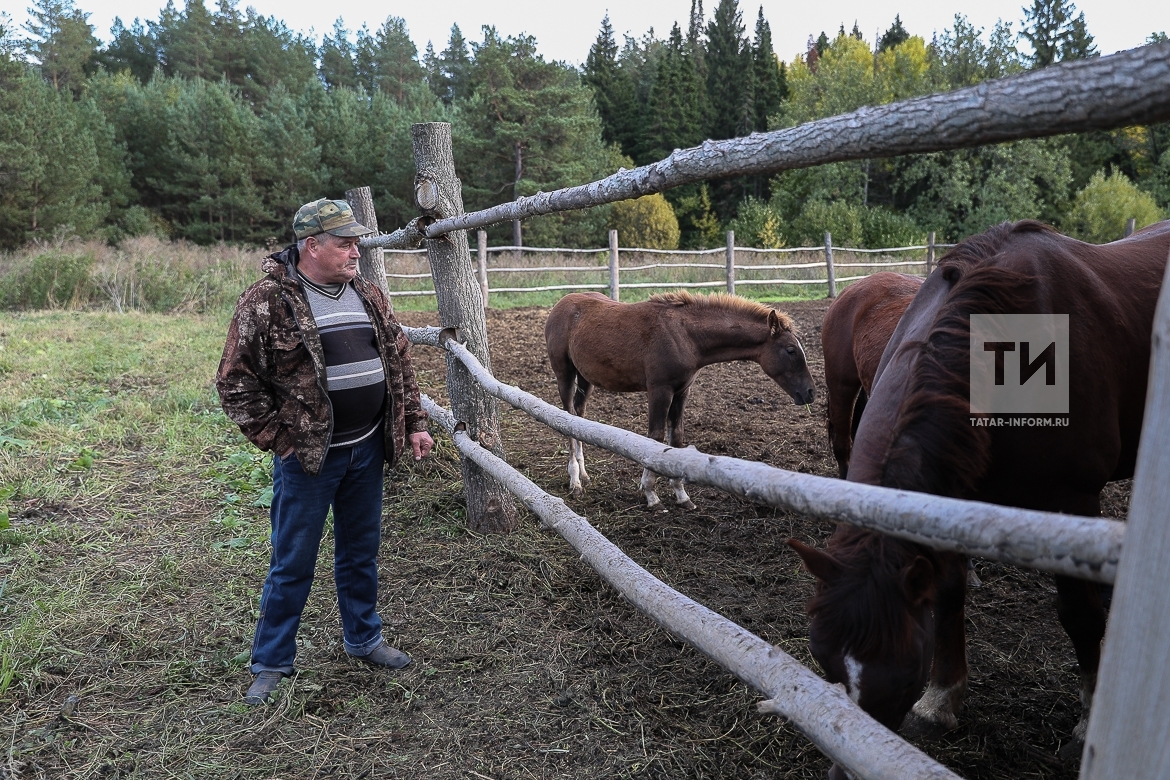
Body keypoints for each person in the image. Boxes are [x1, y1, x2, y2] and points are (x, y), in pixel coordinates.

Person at [216, 198, 434, 705]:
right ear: (311, 246)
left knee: (361, 553)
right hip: (310, 460)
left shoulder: (368, 293)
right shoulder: (267, 300)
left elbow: (399, 361)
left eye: (356, 241)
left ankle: (364, 639)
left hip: (368, 451)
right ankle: (271, 662)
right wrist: (282, 441)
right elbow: (234, 383)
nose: (356, 250)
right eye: (345, 242)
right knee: (292, 561)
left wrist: (413, 421)